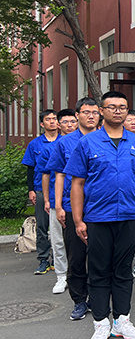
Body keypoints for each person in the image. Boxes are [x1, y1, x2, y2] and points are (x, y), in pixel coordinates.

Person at [66, 91, 135, 339]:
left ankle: (122, 320)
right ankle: (101, 322)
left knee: (123, 269)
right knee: (99, 270)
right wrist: (78, 220)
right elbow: (77, 183)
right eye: (112, 107)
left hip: (130, 215)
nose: (118, 111)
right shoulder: (87, 143)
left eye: (122, 107)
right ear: (102, 111)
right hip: (98, 217)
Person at [48, 98, 99, 320]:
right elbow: (59, 175)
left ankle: (97, 298)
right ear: (77, 115)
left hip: (100, 206)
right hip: (72, 207)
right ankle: (79, 300)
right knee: (76, 256)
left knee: (99, 256)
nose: (91, 116)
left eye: (95, 112)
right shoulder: (65, 143)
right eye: (86, 112)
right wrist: (59, 206)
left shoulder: (105, 139)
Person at [38, 108, 77, 293]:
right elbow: (46, 174)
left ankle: (79, 274)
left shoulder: (86, 142)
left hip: (81, 201)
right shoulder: (54, 146)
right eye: (65, 122)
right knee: (58, 240)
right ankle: (61, 276)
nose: (70, 125)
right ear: (59, 125)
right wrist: (47, 199)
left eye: (72, 121)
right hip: (58, 200)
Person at [22, 109, 59, 274]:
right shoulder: (35, 144)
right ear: (42, 124)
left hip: (61, 190)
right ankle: (43, 259)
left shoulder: (65, 141)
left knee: (61, 226)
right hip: (40, 189)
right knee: (42, 226)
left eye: (54, 118)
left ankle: (59, 259)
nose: (52, 121)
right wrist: (31, 190)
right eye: (48, 119)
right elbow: (30, 169)